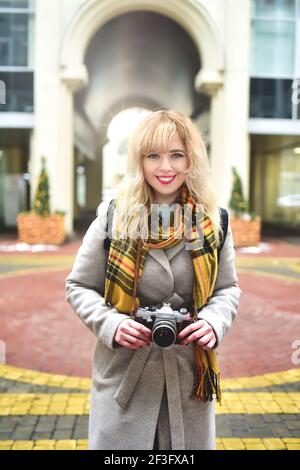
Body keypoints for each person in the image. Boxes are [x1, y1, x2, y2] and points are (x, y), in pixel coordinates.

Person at [65, 109, 242, 450]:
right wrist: (111, 324)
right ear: (139, 161)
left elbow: (226, 289)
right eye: (153, 156)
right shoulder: (114, 217)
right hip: (124, 382)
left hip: (189, 381)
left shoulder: (213, 221)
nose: (165, 167)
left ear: (191, 160)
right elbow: (78, 286)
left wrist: (213, 321)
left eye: (177, 155)